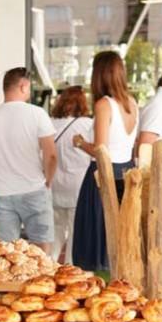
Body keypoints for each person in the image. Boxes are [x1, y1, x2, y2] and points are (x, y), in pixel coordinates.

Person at [0, 68, 58, 246]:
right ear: (23, 86)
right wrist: (48, 181)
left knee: (7, 251)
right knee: (41, 247)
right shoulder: (37, 114)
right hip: (34, 187)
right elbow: (51, 155)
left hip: (1, 191)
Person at [71, 50, 139, 271]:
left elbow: (102, 150)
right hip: (127, 172)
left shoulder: (104, 104)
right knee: (121, 234)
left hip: (103, 177)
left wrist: (81, 143)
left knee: (97, 238)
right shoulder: (132, 103)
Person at [49, 86, 94, 263]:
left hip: (54, 185)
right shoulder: (86, 125)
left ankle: (48, 267)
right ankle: (70, 270)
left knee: (55, 232)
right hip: (78, 187)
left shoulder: (50, 124)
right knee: (76, 233)